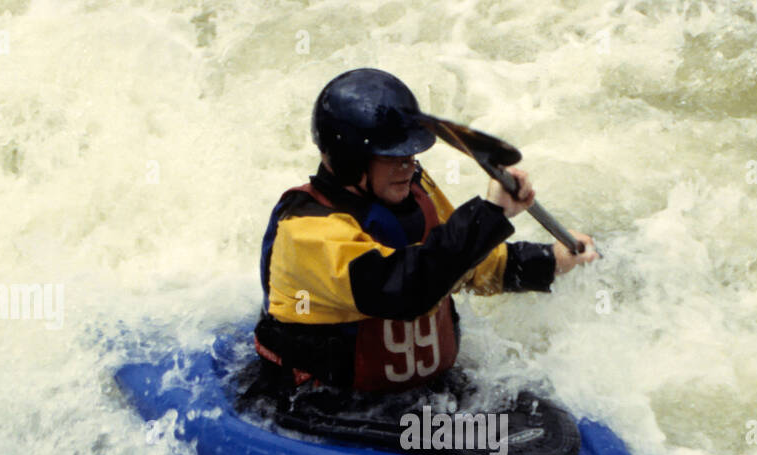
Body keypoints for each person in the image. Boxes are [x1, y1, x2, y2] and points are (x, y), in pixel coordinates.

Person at [249, 67, 599, 412]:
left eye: (411, 154)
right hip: (324, 402)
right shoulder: (305, 228)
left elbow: (466, 264)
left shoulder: (415, 190)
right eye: (392, 156)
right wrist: (487, 215)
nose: (408, 165)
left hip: (421, 394)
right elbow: (401, 289)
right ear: (349, 158)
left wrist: (550, 260)